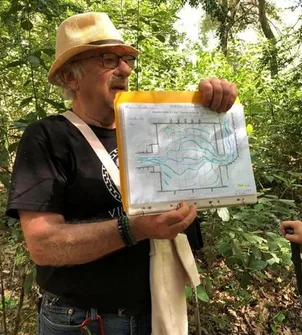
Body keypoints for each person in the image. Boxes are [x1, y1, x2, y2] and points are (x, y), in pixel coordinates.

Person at [6, 12, 238, 335]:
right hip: (82, 322)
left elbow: (200, 171)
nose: (125, 68)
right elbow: (42, 245)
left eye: (126, 59)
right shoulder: (48, 137)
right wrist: (135, 229)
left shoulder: (149, 127)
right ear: (71, 78)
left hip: (157, 311)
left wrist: (209, 108)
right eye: (108, 58)